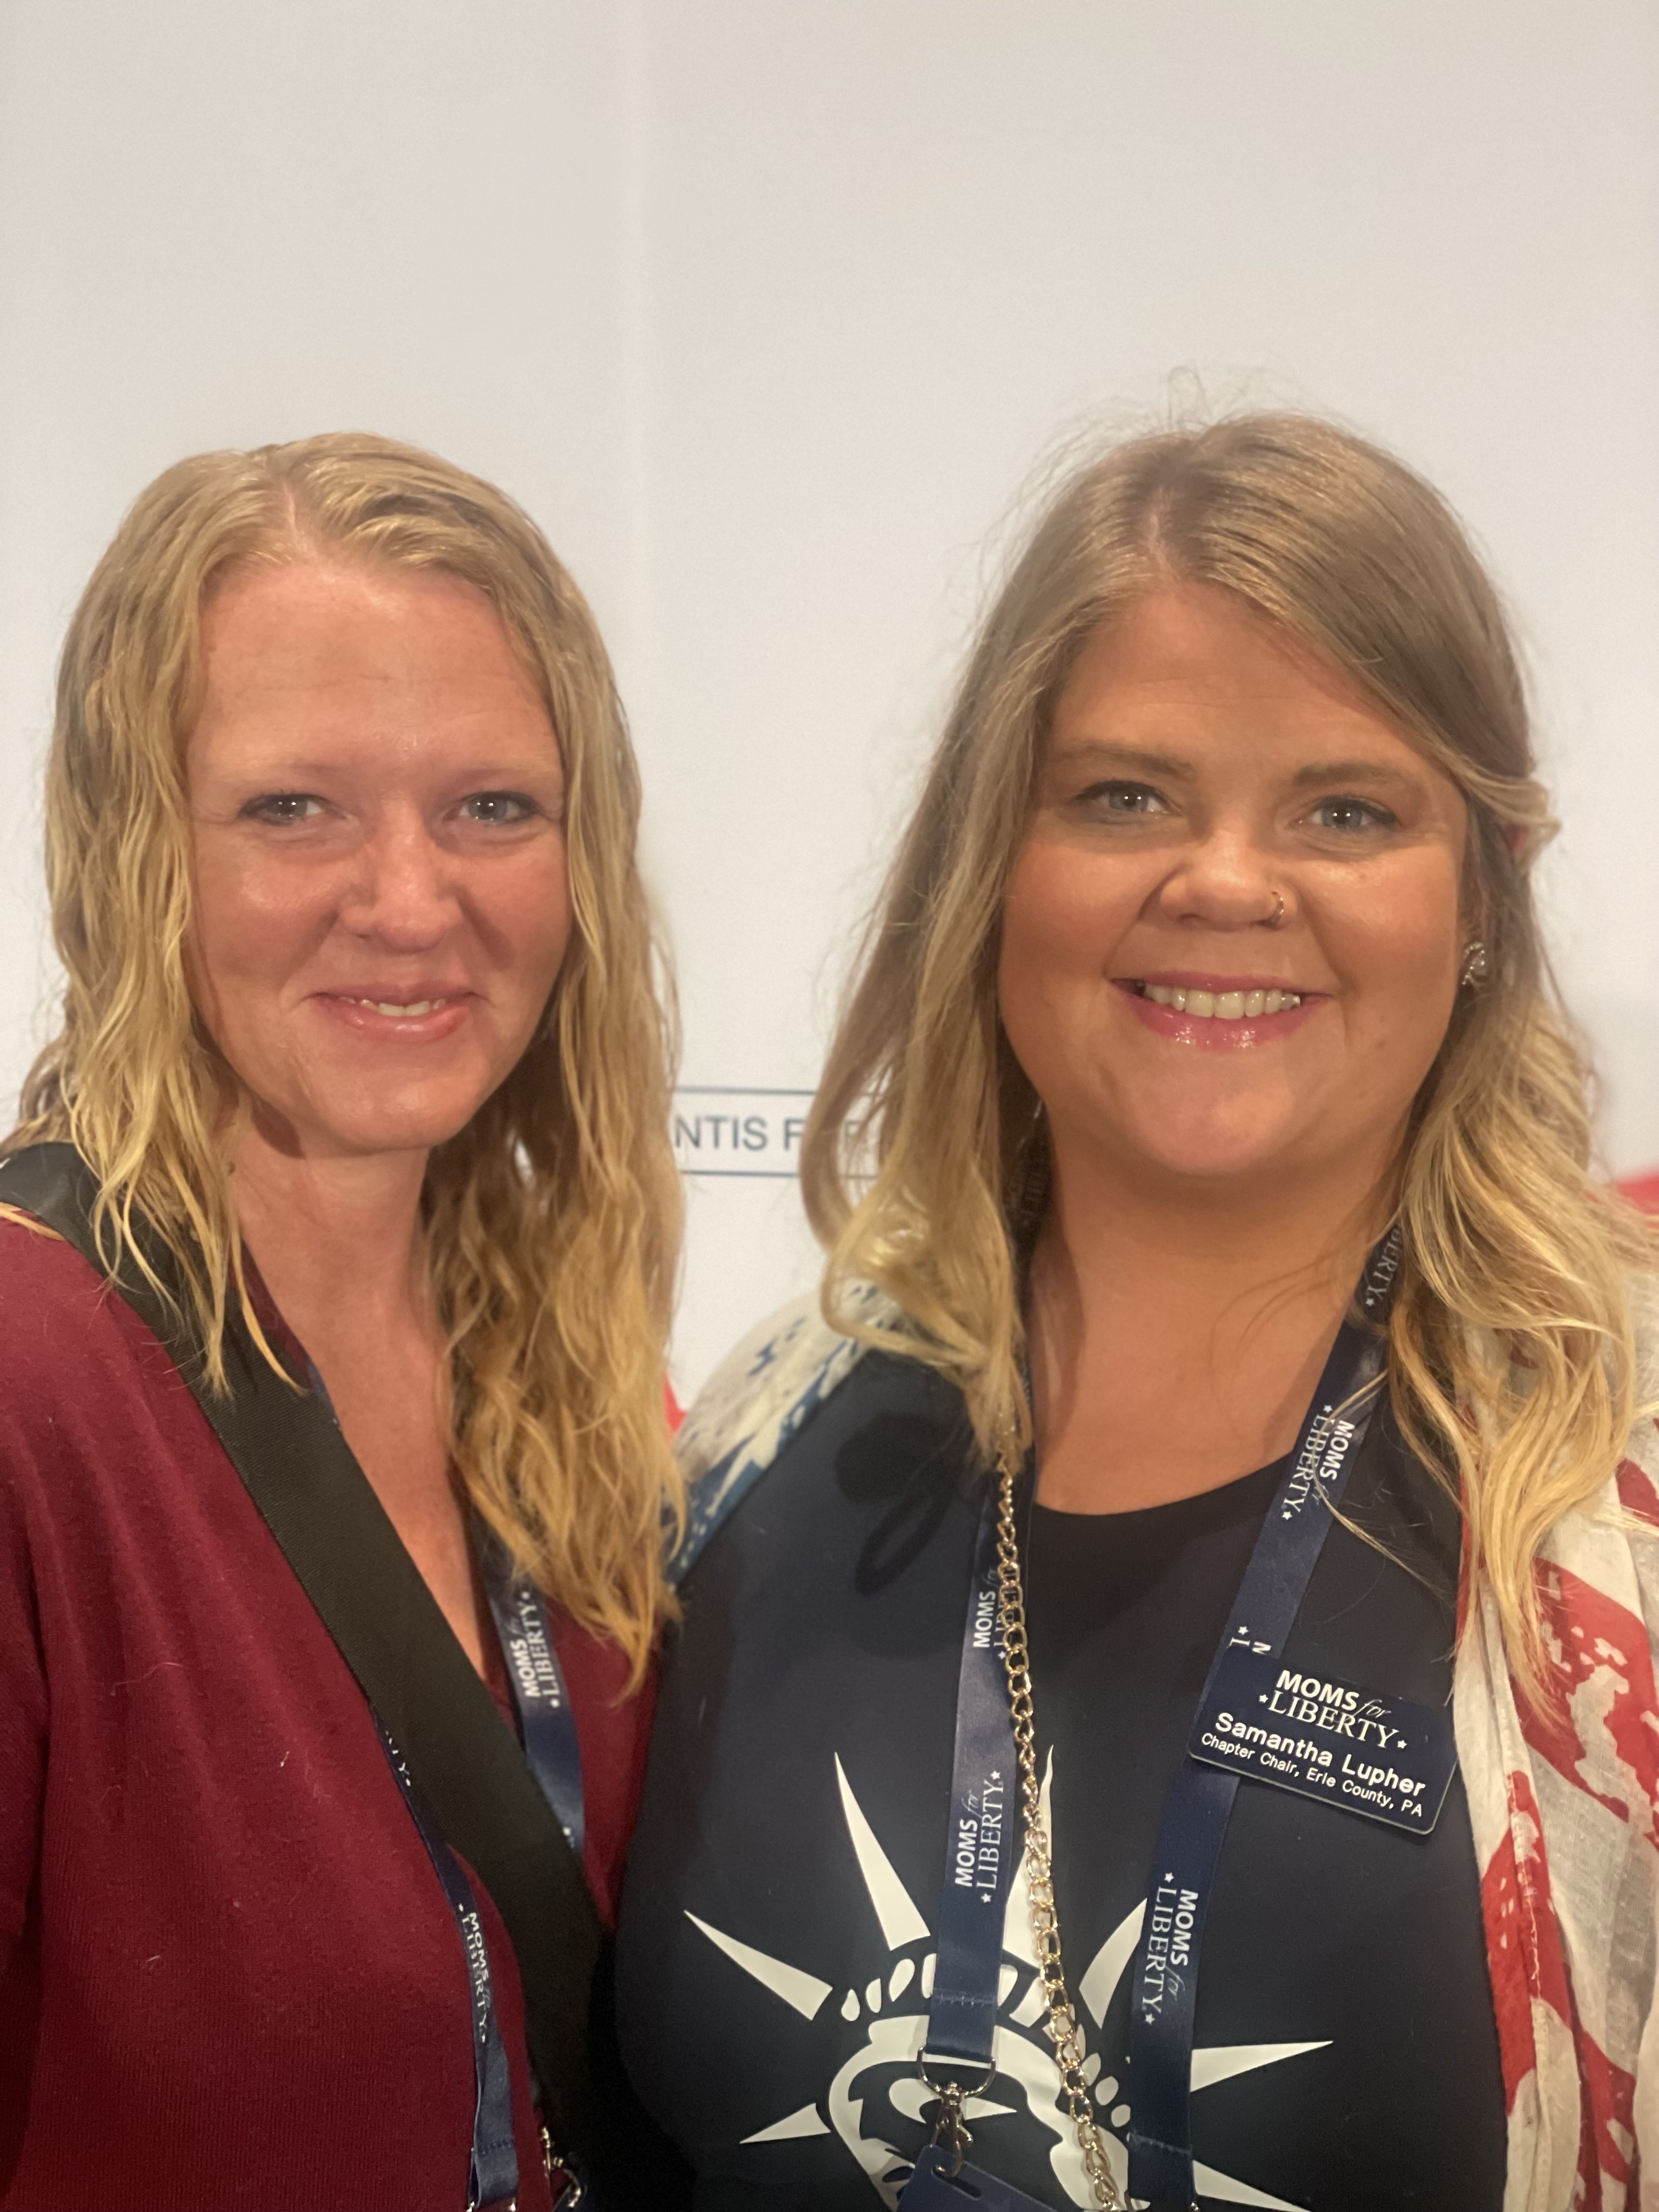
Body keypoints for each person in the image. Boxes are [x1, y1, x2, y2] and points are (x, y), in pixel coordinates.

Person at [616, 413, 1659, 2212]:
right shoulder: (772, 1429)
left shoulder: (1615, 1499)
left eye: (1347, 809)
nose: (1228, 882)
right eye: (1125, 796)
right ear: (991, 863)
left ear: (1481, 893)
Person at [0, 434, 686, 2209]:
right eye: (294, 809)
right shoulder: (30, 1383)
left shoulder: (581, 1383)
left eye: (492, 808)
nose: (407, 900)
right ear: (135, 848)